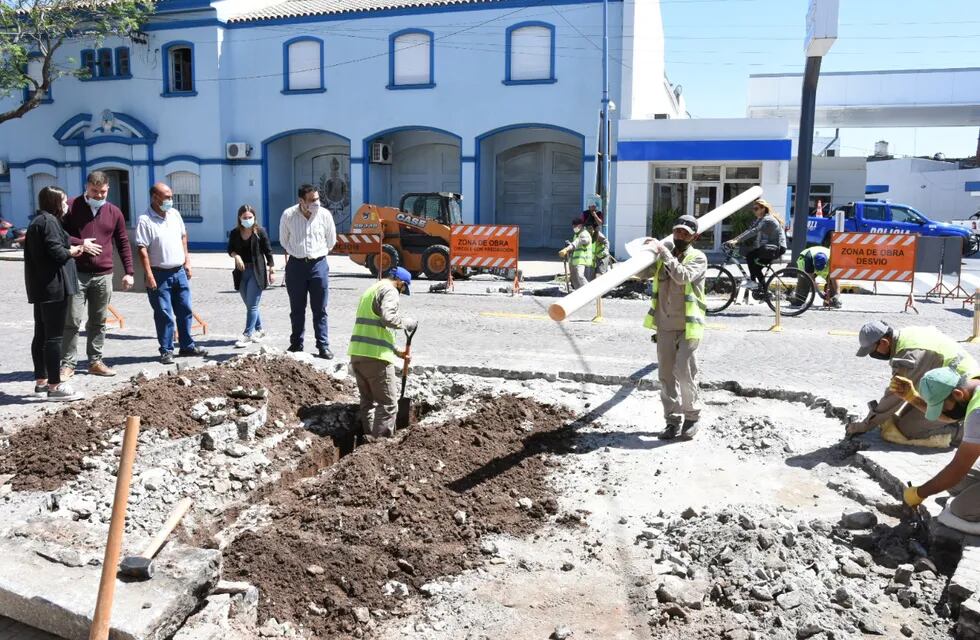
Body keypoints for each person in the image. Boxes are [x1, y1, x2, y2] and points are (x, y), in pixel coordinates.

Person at [848, 320, 977, 447]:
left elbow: (894, 394)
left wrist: (867, 424)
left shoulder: (910, 354)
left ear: (884, 342)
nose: (872, 354)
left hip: (960, 399)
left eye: (872, 350)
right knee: (901, 418)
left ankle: (967, 432)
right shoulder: (906, 335)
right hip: (949, 386)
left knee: (907, 429)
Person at [60, 171, 135, 379]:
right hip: (76, 273)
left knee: (98, 321)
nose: (99, 196)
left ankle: (95, 361)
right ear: (87, 187)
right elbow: (60, 235)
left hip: (103, 275)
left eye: (103, 192)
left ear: (108, 189)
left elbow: (122, 243)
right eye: (95, 191)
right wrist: (79, 242)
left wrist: (129, 272)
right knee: (72, 320)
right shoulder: (72, 206)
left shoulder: (114, 212)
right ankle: (67, 364)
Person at [641, 214, 708, 440]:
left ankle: (692, 416)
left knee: (685, 372)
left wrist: (664, 252)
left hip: (688, 326)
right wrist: (646, 254)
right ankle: (671, 421)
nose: (680, 235)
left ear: (694, 237)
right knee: (666, 375)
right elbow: (640, 273)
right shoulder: (663, 257)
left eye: (685, 233)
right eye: (677, 231)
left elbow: (682, 276)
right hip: (665, 325)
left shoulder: (698, 258)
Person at [898, 367, 980, 534]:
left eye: (944, 408)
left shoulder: (978, 412)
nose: (945, 413)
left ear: (958, 394)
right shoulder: (973, 385)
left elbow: (958, 468)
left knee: (958, 512)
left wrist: (919, 493)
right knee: (957, 485)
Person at [134, 182, 209, 365]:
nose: (170, 200)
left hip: (179, 271)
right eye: (166, 196)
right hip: (159, 274)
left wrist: (187, 261)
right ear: (155, 197)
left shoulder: (174, 214)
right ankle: (166, 350)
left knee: (185, 309)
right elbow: (142, 249)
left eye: (171, 196)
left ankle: (187, 345)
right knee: (164, 313)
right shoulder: (145, 220)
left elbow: (183, 237)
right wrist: (149, 274)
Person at [24, 186, 84, 401]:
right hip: (54, 287)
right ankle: (54, 387)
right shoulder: (49, 222)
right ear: (54, 202)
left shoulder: (39, 221)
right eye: (64, 201)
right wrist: (73, 251)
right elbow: (57, 252)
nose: (67, 205)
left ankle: (41, 382)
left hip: (42, 287)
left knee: (41, 334)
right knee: (54, 338)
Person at [347, 267, 417, 439]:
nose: (401, 293)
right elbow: (387, 318)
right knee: (388, 404)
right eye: (403, 289)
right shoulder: (390, 290)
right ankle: (379, 448)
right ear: (400, 282)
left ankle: (368, 442)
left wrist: (397, 352)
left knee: (367, 403)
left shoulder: (371, 290)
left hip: (358, 355)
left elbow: (375, 327)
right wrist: (406, 323)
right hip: (376, 358)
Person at [280, 184, 336, 359]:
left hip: (318, 265)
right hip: (296, 266)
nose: (316, 203)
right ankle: (296, 343)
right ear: (301, 201)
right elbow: (284, 241)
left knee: (320, 308)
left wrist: (316, 254)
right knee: (297, 308)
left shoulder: (325, 215)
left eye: (317, 199)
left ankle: (323, 345)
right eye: (312, 200)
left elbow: (331, 240)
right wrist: (299, 253)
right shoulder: (288, 215)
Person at [227, 205, 275, 348]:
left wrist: (271, 269)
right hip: (241, 272)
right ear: (239, 218)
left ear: (254, 218)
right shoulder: (235, 233)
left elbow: (268, 251)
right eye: (244, 218)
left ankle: (247, 334)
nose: (247, 220)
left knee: (252, 305)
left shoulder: (260, 232)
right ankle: (259, 330)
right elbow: (230, 249)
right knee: (249, 304)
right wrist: (236, 256)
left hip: (257, 271)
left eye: (250, 217)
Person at [724, 198, 787, 292]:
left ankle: (753, 282)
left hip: (777, 247)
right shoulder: (761, 219)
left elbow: (755, 231)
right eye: (753, 208)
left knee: (750, 256)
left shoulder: (767, 219)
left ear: (763, 209)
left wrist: (737, 241)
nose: (754, 211)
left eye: (756, 208)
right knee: (756, 267)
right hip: (772, 247)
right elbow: (749, 230)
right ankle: (765, 292)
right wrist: (734, 240)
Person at [558, 217, 593, 290]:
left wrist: (567, 248)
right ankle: (578, 293)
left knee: (580, 276)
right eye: (573, 226)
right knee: (574, 278)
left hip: (582, 260)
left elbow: (578, 242)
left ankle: (589, 292)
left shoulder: (584, 234)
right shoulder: (576, 235)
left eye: (575, 226)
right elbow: (575, 246)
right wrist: (569, 247)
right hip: (575, 261)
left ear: (580, 226)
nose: (573, 228)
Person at [582, 199, 610, 277]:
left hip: (596, 231)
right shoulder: (585, 213)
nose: (593, 208)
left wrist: (595, 215)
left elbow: (600, 223)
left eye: (594, 206)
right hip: (588, 231)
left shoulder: (598, 213)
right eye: (592, 206)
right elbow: (583, 223)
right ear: (589, 207)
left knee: (605, 241)